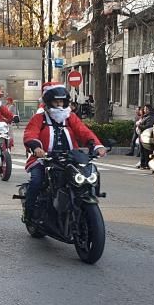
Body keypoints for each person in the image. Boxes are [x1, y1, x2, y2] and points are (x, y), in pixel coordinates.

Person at [22, 85, 106, 222]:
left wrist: (97, 145)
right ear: (49, 102)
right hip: (45, 158)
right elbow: (30, 133)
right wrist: (36, 147)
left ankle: (86, 202)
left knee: (88, 176)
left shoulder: (70, 117)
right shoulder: (39, 118)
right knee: (37, 181)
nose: (59, 105)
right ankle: (29, 213)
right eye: (56, 102)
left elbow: (83, 131)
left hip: (71, 158)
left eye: (62, 101)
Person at [137, 103, 154, 169]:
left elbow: (148, 126)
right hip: (142, 135)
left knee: (145, 151)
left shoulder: (150, 117)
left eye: (147, 109)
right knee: (142, 151)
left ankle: (146, 164)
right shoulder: (145, 116)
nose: (145, 110)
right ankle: (143, 163)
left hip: (146, 136)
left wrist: (139, 125)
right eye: (145, 109)